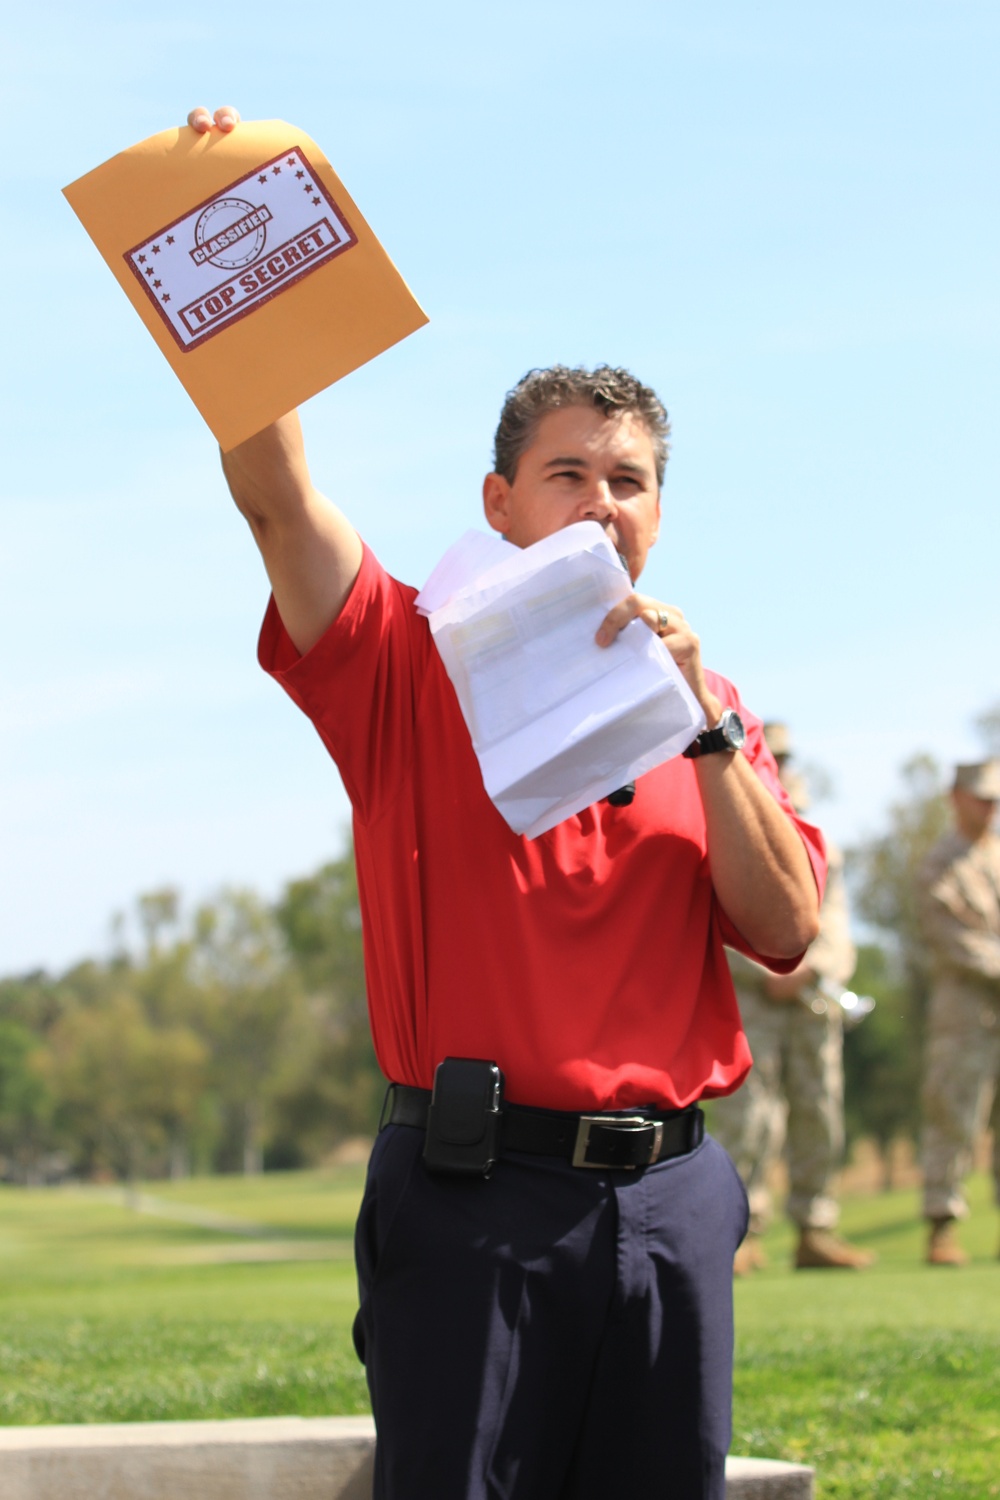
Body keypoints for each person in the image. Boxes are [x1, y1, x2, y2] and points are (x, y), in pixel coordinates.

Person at [189, 104, 823, 1500]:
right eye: (569, 474)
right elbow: (280, 501)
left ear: (661, 513)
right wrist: (217, 244)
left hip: (668, 1202)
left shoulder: (715, 710)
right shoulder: (404, 659)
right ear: (502, 500)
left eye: (631, 480)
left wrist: (707, 728)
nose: (603, 502)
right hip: (474, 1203)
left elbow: (785, 932)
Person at [712, 723, 875, 1272]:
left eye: (783, 755)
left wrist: (812, 969)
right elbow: (714, 911)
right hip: (752, 998)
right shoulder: (723, 809)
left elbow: (835, 917)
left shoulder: (810, 825)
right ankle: (743, 1231)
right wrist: (765, 972)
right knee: (750, 1116)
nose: (775, 762)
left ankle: (815, 1228)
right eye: (769, 752)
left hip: (810, 998)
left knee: (819, 1110)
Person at [918, 758, 1000, 1267]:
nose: (989, 807)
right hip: (965, 1014)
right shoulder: (938, 864)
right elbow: (953, 940)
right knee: (954, 1115)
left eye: (995, 799)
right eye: (981, 797)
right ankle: (942, 1226)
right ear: (956, 797)